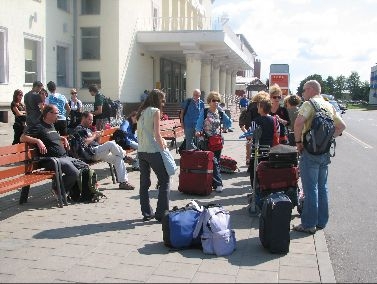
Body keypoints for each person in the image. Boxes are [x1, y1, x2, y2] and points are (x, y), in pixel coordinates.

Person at [293, 80, 346, 234]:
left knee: (310, 189)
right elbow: (342, 126)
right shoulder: (329, 105)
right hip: (324, 152)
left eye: (304, 90)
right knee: (322, 187)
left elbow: (298, 124)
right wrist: (328, 139)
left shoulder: (309, 104)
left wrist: (298, 142)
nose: (303, 93)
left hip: (310, 152)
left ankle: (309, 224)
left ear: (310, 89)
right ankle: (321, 221)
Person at [20, 104, 88, 199]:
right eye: (56, 113)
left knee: (85, 166)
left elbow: (51, 136)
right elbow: (22, 137)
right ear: (48, 114)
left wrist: (62, 138)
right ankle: (58, 189)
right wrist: (38, 141)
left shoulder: (51, 125)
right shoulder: (38, 126)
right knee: (74, 172)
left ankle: (74, 191)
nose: (58, 115)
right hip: (50, 160)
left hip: (63, 157)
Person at [74, 111, 135, 190]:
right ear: (83, 118)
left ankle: (123, 182)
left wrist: (98, 136)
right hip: (90, 153)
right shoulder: (79, 129)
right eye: (89, 119)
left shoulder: (88, 129)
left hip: (97, 151)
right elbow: (85, 142)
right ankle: (125, 156)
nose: (91, 122)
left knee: (118, 158)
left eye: (92, 120)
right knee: (111, 143)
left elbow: (96, 143)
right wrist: (94, 135)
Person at [136, 89, 170, 222]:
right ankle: (162, 213)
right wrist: (164, 150)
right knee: (164, 180)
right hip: (152, 151)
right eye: (162, 99)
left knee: (144, 183)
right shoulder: (155, 111)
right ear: (157, 100)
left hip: (141, 151)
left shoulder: (141, 112)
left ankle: (146, 213)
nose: (163, 102)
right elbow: (157, 133)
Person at [195, 91, 232, 193]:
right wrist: (198, 131)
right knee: (214, 162)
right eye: (214, 100)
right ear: (209, 101)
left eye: (218, 101)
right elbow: (198, 123)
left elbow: (229, 123)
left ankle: (212, 182)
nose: (216, 102)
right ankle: (218, 184)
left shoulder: (220, 112)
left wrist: (225, 126)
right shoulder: (205, 111)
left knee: (217, 162)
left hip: (218, 141)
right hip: (207, 141)